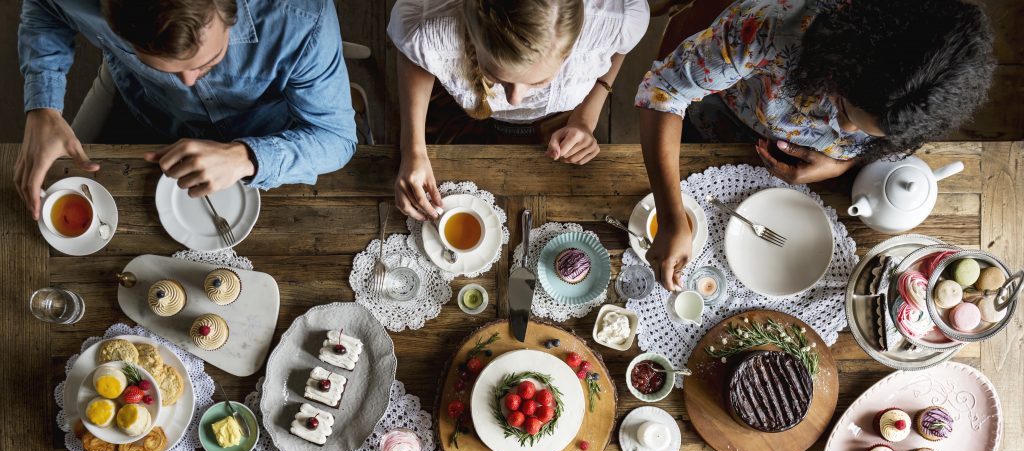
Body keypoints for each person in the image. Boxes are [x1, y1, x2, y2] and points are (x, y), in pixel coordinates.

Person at [635, 0, 995, 290]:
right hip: (725, 121)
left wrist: (844, 165)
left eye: (870, 134)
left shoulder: (925, 97)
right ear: (841, 63)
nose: (843, 130)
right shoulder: (774, 28)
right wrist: (671, 216)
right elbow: (664, 91)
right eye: (843, 108)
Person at [16, 0, 357, 219]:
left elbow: (336, 138)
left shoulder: (301, 14)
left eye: (209, 61)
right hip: (141, 102)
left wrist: (247, 157)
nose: (188, 82)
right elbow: (44, 8)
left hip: (268, 129)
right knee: (54, 190)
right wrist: (43, 106)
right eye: (164, 66)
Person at [388, 0, 650, 220]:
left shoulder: (620, 17)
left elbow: (619, 47)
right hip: (455, 110)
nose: (514, 100)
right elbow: (416, 53)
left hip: (561, 119)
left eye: (538, 81)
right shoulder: (426, 22)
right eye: (493, 74)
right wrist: (413, 150)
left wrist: (585, 118)